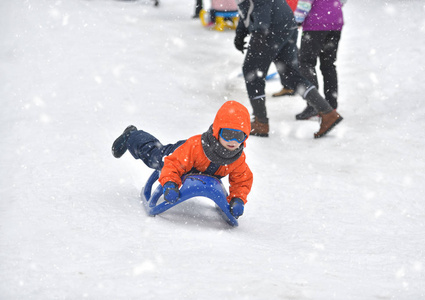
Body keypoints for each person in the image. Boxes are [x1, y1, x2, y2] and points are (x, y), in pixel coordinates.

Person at [111, 101, 253, 219]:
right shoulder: (195, 147)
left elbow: (242, 179)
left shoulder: (237, 158)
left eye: (239, 136)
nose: (233, 141)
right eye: (228, 134)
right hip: (182, 154)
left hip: (201, 168)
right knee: (154, 156)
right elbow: (173, 164)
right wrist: (170, 183)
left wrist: (238, 199)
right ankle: (132, 135)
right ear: (217, 131)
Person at [233, 0, 343, 138]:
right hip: (286, 24)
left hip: (271, 27)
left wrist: (260, 31)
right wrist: (240, 33)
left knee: (252, 72)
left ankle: (260, 123)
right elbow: (247, 9)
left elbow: (260, 6)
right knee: (290, 75)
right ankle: (328, 113)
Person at [275, 0, 346, 120]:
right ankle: (331, 104)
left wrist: (296, 21)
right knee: (328, 65)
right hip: (335, 22)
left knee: (306, 63)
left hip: (316, 24)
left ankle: (314, 105)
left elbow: (304, 3)